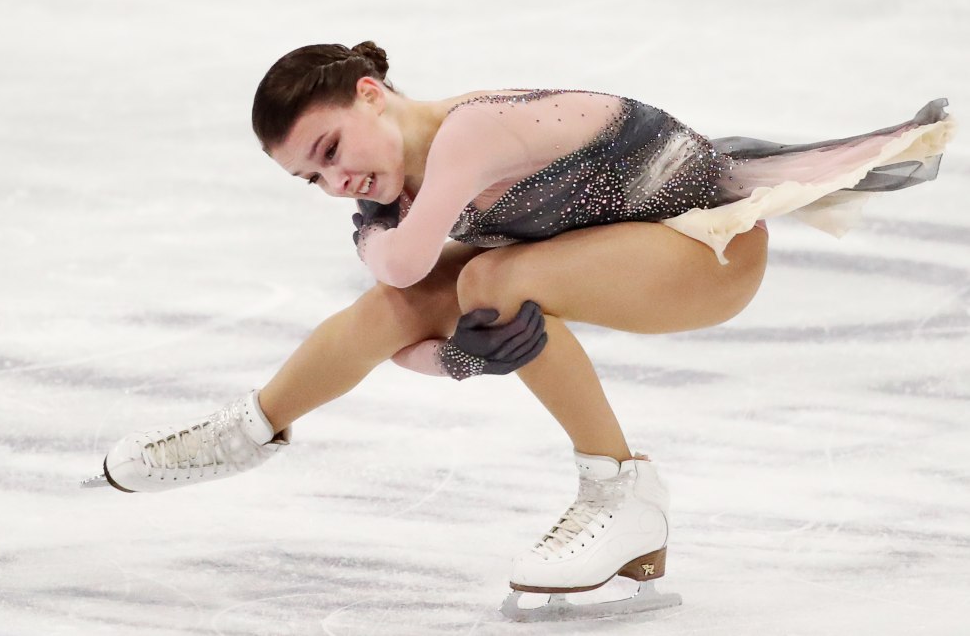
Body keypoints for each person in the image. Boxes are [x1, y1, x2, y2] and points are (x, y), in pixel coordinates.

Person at [90, 41, 954, 619]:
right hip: (617, 249)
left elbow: (395, 263)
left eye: (328, 148)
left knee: (492, 276)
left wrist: (456, 351)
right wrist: (451, 353)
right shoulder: (398, 189)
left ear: (370, 94)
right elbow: (400, 319)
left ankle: (621, 494)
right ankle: (251, 428)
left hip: (709, 253)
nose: (335, 180)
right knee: (424, 300)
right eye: (308, 178)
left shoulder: (470, 130)